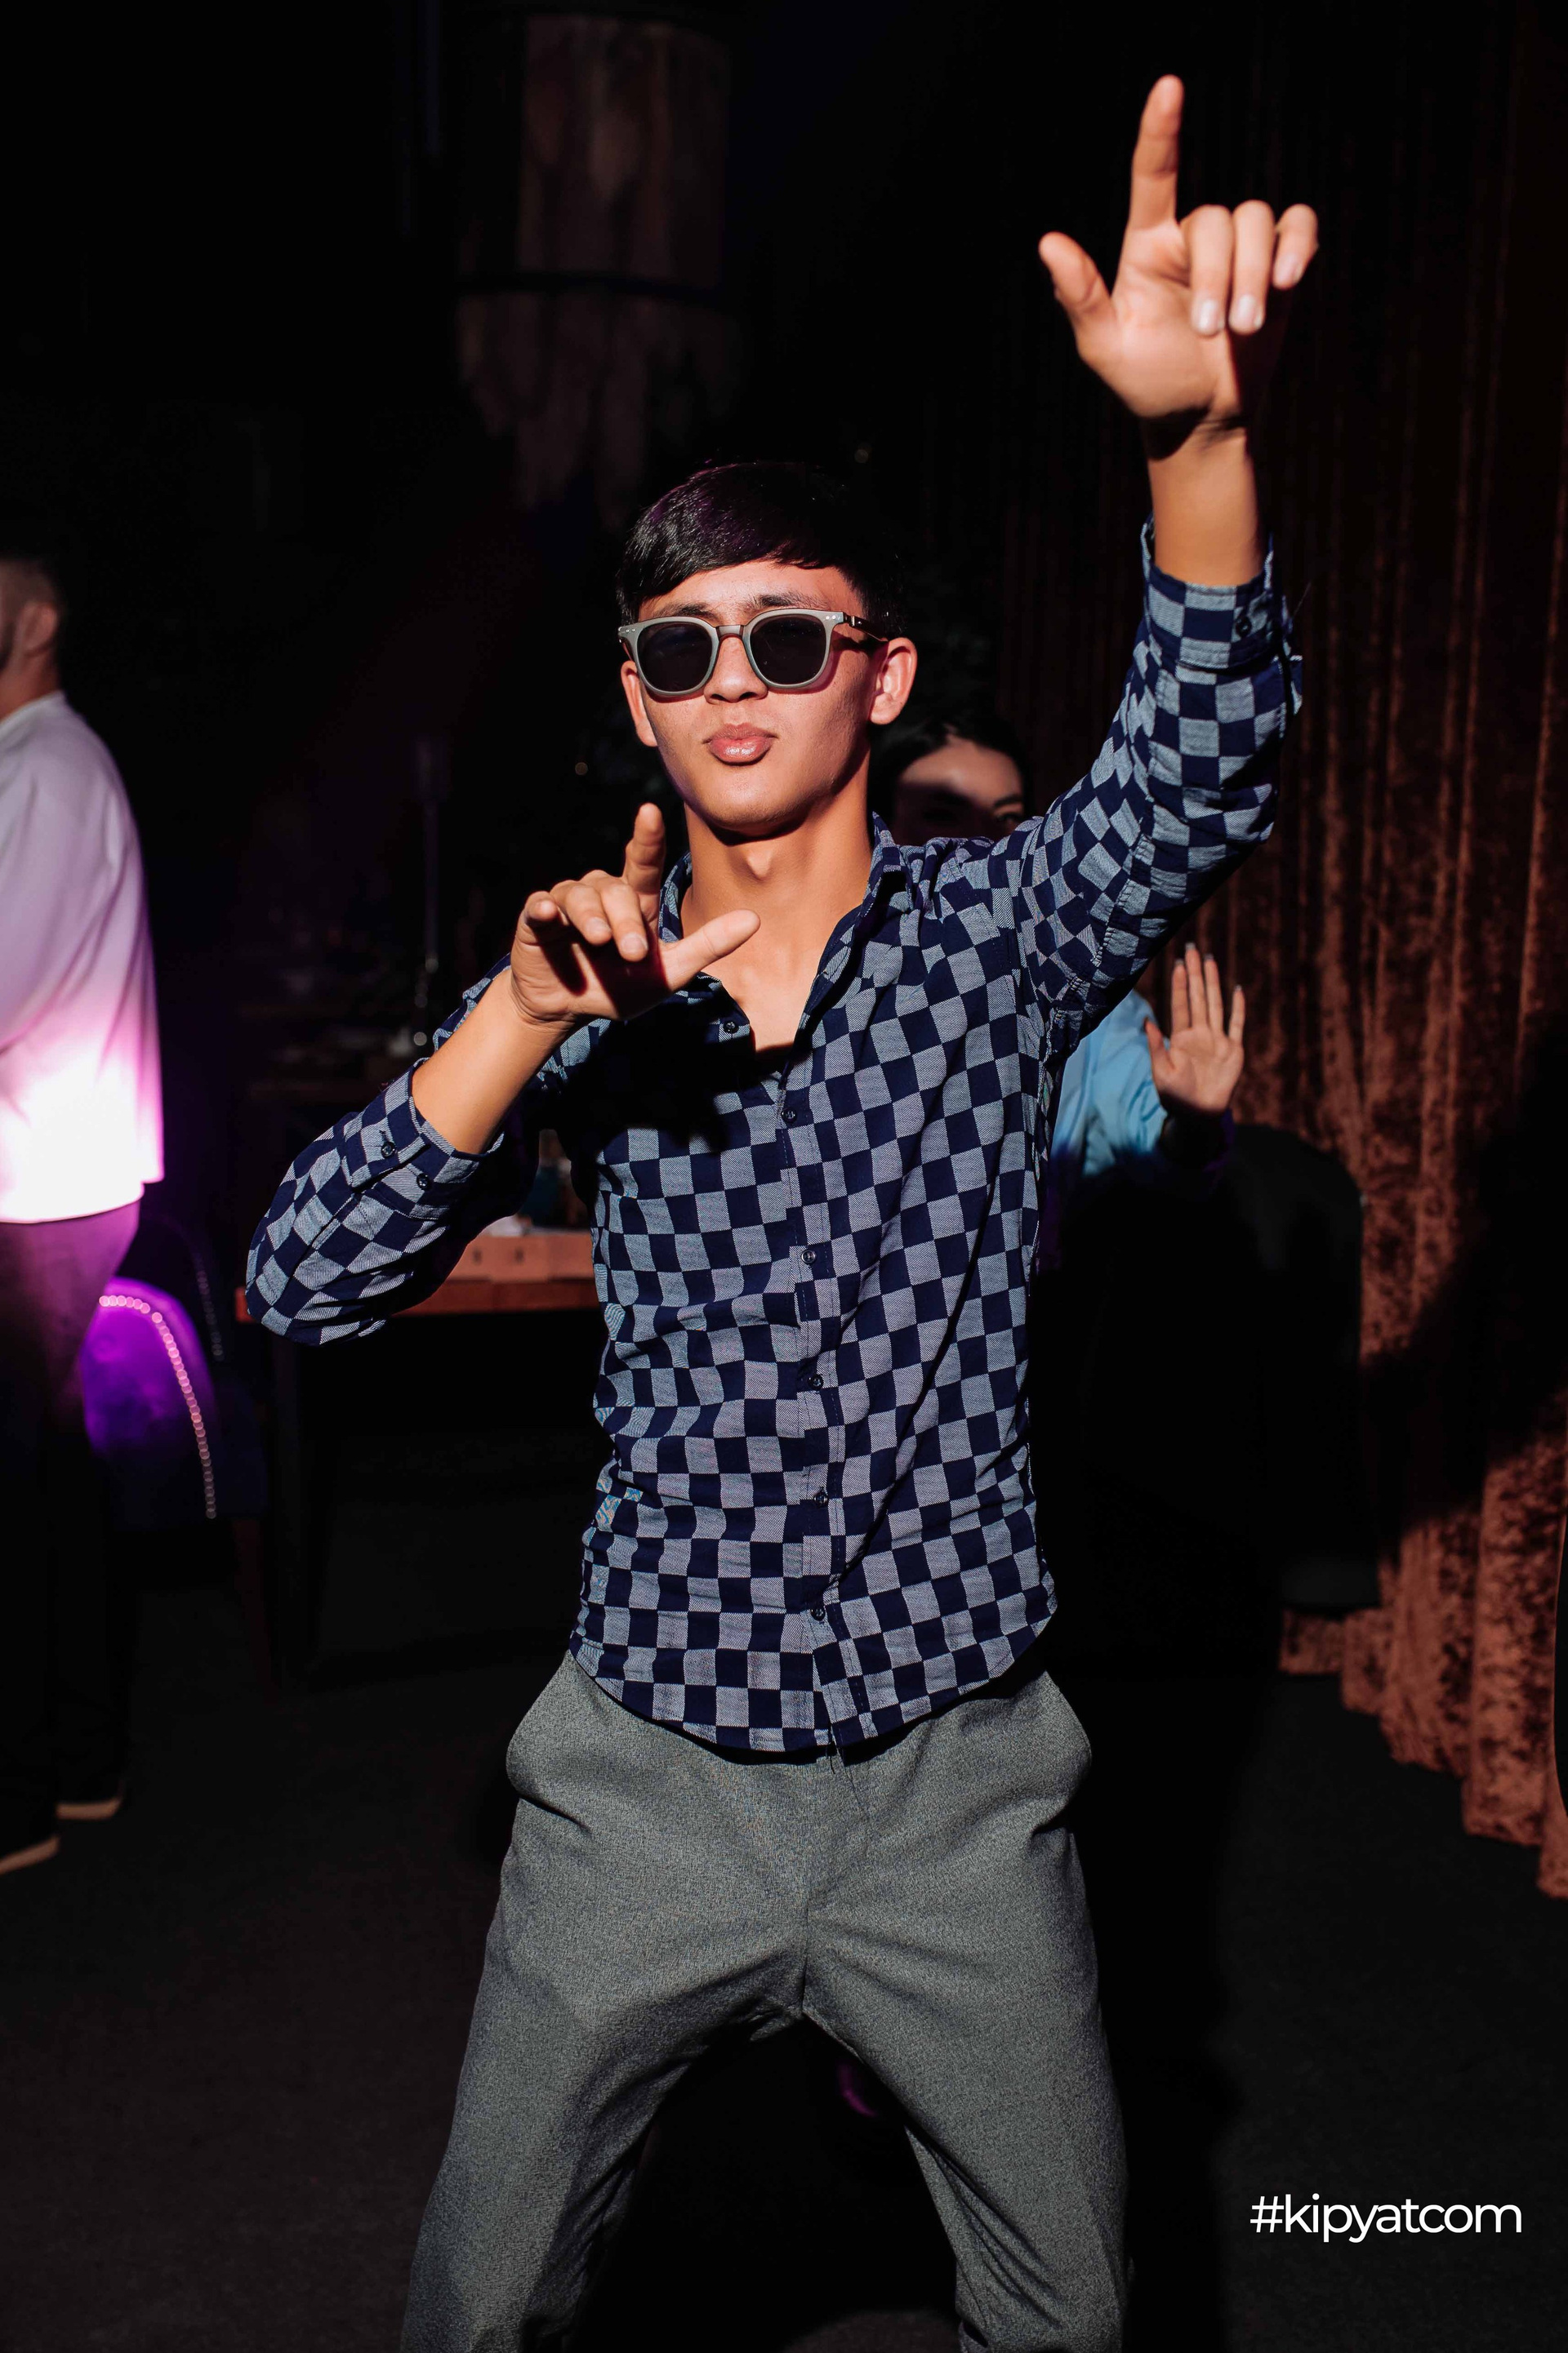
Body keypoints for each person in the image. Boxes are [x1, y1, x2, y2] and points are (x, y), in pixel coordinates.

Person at [248, 79, 1315, 2353]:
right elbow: (300, 1286)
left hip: (955, 1793)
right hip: (645, 1789)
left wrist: (1196, 438)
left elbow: (1202, 758)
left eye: (786, 640)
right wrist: (513, 1023)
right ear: (641, 707)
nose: (731, 683)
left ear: (881, 673)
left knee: (1074, 2305)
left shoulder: (998, 934)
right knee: (477, 2305)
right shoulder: (590, 985)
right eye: (681, 650)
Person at [0, 544, 163, 1877]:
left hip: (37, 1184)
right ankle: (75, 1762)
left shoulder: (46, 768)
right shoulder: (36, 763)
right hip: (45, 1175)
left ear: (36, 620)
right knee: (46, 1485)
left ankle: (27, 1788)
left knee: (21, 1493)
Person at [883, 709, 1245, 1234]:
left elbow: (1163, 1152)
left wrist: (1193, 1122)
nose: (981, 842)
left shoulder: (1081, 1000)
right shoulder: (832, 973)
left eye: (1007, 818)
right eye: (944, 814)